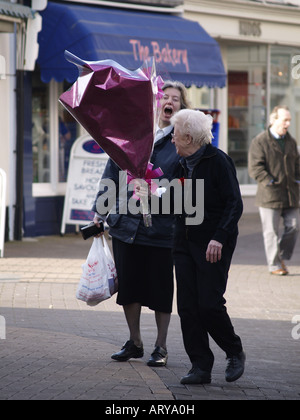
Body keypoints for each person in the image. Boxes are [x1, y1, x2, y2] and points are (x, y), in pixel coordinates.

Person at [92, 81, 190, 367]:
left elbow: (188, 186)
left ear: (181, 107)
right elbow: (111, 173)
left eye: (176, 99)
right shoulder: (132, 135)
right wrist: (100, 211)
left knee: (160, 289)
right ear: (155, 103)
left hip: (162, 229)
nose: (169, 102)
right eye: (164, 97)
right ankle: (134, 342)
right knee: (130, 287)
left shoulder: (183, 141)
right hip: (125, 226)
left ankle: (161, 346)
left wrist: (160, 191)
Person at [170, 109, 245, 384]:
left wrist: (219, 237)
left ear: (188, 137)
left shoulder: (218, 162)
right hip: (183, 242)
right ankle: (200, 366)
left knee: (209, 305)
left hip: (213, 242)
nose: (172, 140)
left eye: (175, 135)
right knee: (188, 307)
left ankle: (234, 350)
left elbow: (234, 204)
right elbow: (171, 200)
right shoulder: (179, 164)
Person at [248, 105, 300, 275]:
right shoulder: (260, 141)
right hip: (269, 194)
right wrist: (269, 181)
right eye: (285, 120)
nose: (287, 124)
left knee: (293, 226)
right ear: (273, 120)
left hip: (290, 194)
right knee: (270, 232)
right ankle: (275, 265)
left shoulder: (291, 142)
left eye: (289, 120)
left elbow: (297, 165)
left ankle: (281, 257)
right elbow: (255, 167)